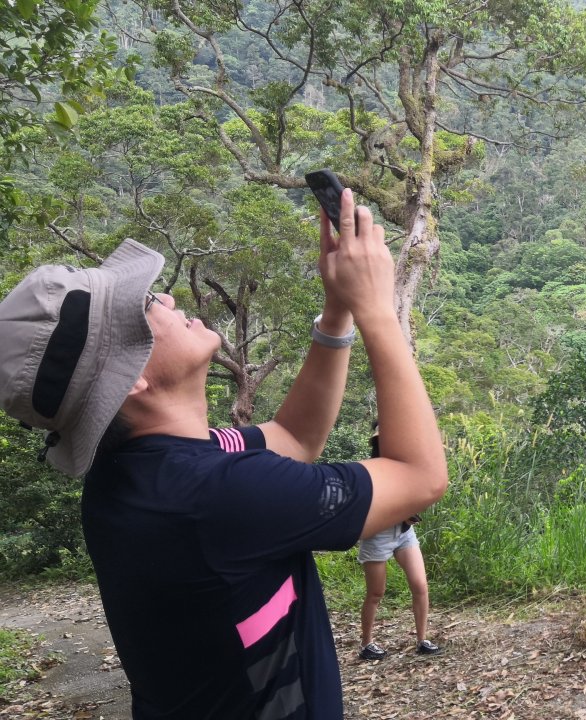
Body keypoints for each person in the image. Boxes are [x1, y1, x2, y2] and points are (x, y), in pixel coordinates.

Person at [0, 188, 447, 719]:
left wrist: (337, 314)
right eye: (144, 306)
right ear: (132, 379)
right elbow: (419, 477)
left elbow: (295, 439)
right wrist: (378, 310)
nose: (166, 299)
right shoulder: (216, 494)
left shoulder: (144, 474)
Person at [356, 422, 441, 660]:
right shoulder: (370, 469)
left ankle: (422, 639)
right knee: (376, 592)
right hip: (377, 534)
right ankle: (366, 643)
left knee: (420, 585)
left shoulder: (406, 465)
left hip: (404, 532)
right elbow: (370, 503)